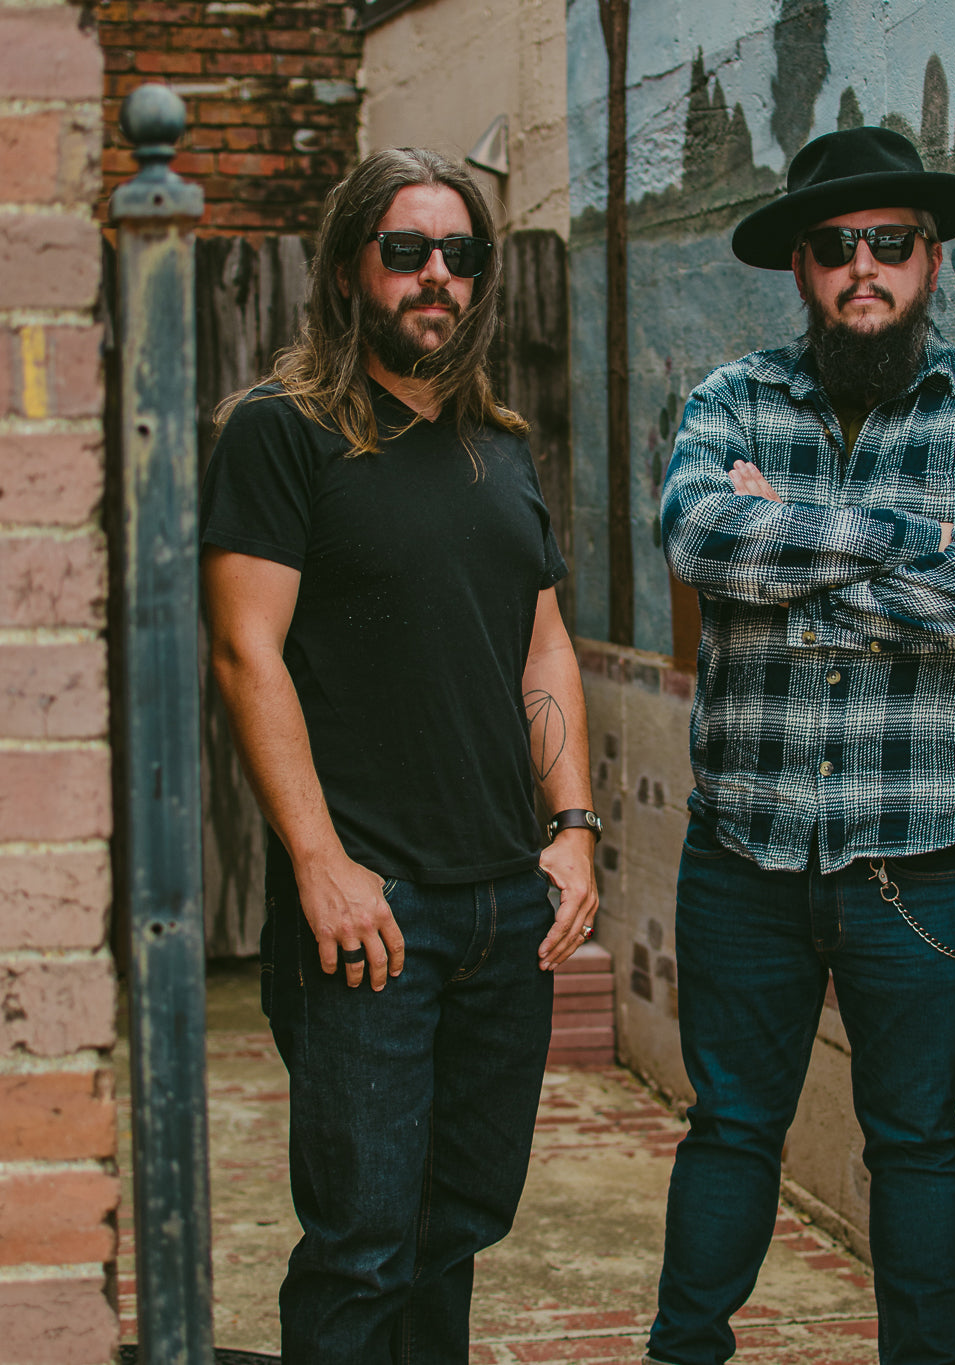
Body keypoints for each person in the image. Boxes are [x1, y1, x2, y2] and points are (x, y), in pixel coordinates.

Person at [647, 126, 955, 1365]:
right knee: (729, 1130)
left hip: (920, 867)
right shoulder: (730, 400)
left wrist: (800, 545)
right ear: (802, 270)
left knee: (917, 1142)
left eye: (890, 243)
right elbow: (702, 541)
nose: (864, 268)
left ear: (932, 262)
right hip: (745, 859)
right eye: (838, 247)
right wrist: (911, 537)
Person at [200, 147, 600, 1364]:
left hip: (502, 909)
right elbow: (243, 654)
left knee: (459, 1225)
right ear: (347, 267)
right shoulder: (283, 435)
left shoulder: (501, 447)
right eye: (408, 249)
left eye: (461, 255)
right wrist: (320, 864)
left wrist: (575, 830)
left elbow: (543, 651)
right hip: (369, 913)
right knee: (363, 1245)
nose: (438, 275)